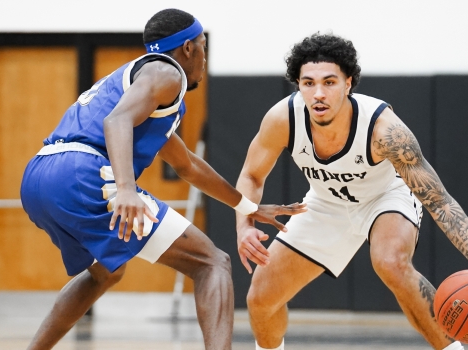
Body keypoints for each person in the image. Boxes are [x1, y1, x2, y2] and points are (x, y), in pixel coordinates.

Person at [20, 9, 306, 350]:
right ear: (188, 49)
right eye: (203, 47)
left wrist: (248, 206)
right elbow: (117, 123)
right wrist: (126, 189)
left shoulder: (145, 88)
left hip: (39, 177)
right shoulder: (167, 73)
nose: (204, 58)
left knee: (106, 273)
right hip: (83, 174)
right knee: (212, 263)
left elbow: (187, 165)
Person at [235, 33, 468, 350]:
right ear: (298, 85)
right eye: (308, 83)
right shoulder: (282, 119)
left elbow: (439, 201)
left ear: (348, 83)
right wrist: (245, 225)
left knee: (390, 262)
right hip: (327, 204)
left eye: (329, 82)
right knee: (260, 299)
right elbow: (251, 175)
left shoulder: (385, 130)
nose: (318, 94)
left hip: (385, 197)